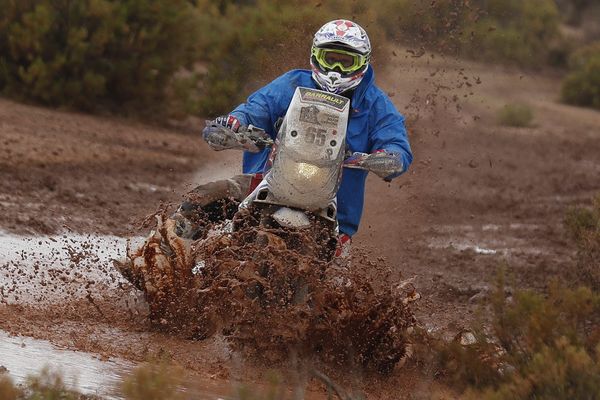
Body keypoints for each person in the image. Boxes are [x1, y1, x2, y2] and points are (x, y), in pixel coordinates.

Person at [119, 19, 412, 284]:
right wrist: (233, 123)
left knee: (337, 291)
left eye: (345, 62)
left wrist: (389, 157)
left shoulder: (376, 105)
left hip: (335, 213)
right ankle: (155, 264)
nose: (335, 70)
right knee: (204, 196)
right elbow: (255, 108)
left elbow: (396, 142)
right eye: (329, 59)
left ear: (362, 64)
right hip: (267, 183)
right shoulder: (291, 84)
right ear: (314, 57)